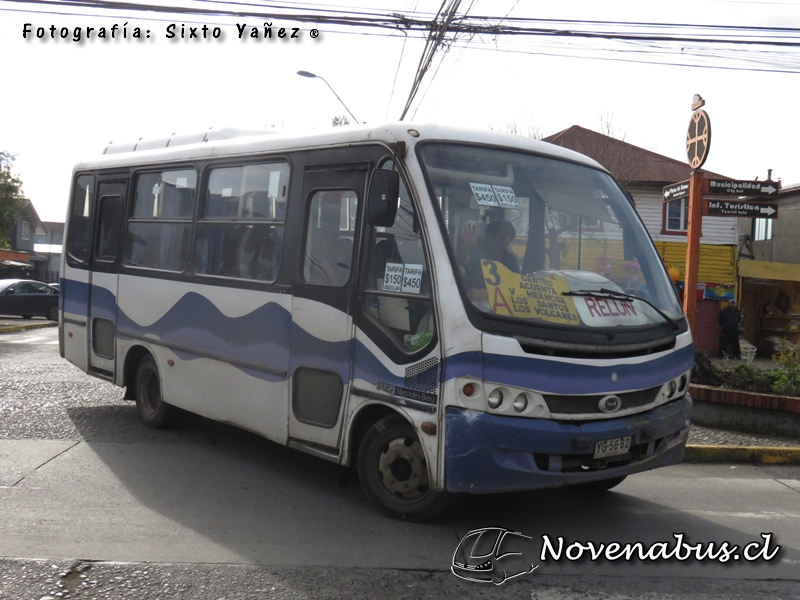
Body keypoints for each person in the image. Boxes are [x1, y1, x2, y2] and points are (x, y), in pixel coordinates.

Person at [462, 219, 520, 301]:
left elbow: (518, 286)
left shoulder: (511, 259)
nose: (504, 238)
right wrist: (467, 247)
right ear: (490, 236)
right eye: (500, 234)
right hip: (476, 306)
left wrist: (487, 292)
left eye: (508, 234)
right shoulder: (477, 251)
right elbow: (461, 260)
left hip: (506, 305)